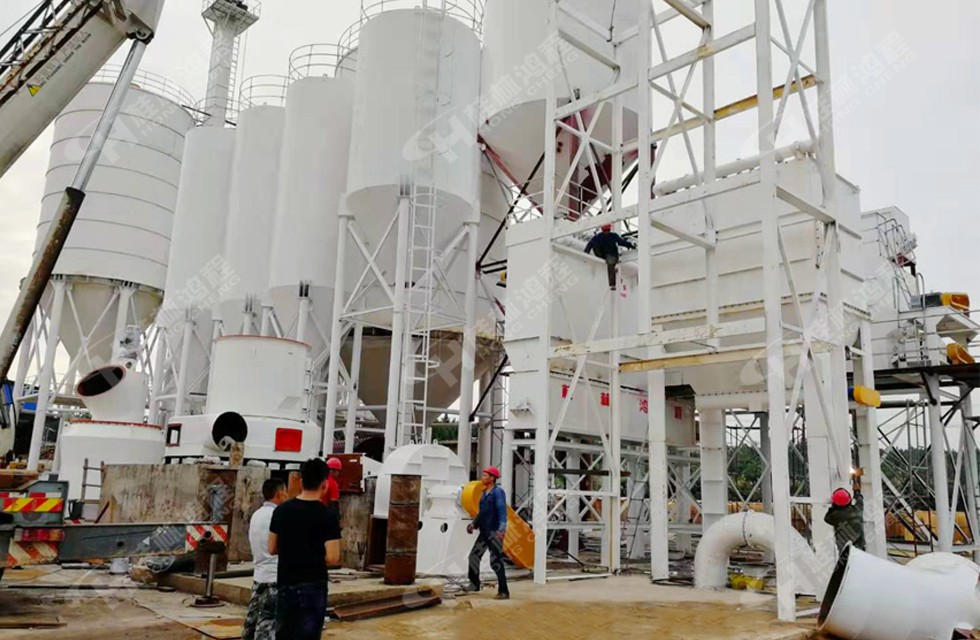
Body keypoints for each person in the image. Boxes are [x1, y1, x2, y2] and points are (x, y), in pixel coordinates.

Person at [269, 458, 342, 640]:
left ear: (301, 482)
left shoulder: (281, 511)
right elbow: (333, 557)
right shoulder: (329, 516)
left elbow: (271, 548)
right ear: (324, 484)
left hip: (286, 582)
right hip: (313, 585)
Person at [243, 478, 288, 640]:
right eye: (285, 492)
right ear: (279, 494)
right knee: (267, 626)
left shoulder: (257, 514)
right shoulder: (278, 515)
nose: (287, 496)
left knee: (251, 624)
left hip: (259, 577)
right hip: (274, 577)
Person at [464, 467, 510, 600]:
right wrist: (474, 524)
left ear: (492, 478)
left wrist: (501, 530)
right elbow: (482, 513)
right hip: (484, 532)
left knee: (495, 562)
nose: (482, 477)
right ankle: (474, 584)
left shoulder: (498, 493)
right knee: (474, 556)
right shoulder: (484, 494)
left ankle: (504, 591)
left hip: (494, 533)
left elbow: (502, 512)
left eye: (485, 475)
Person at [584, 224, 636, 290]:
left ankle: (612, 284)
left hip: (612, 255)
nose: (607, 232)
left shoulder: (613, 236)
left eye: (608, 230)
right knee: (595, 242)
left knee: (610, 263)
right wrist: (586, 253)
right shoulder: (598, 237)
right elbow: (590, 244)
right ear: (602, 230)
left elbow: (621, 242)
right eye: (605, 230)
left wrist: (630, 245)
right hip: (602, 254)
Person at [824, 487, 866, 553]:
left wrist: (833, 507)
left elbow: (826, 518)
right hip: (859, 547)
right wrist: (857, 492)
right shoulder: (857, 510)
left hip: (843, 549)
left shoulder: (835, 515)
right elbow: (860, 501)